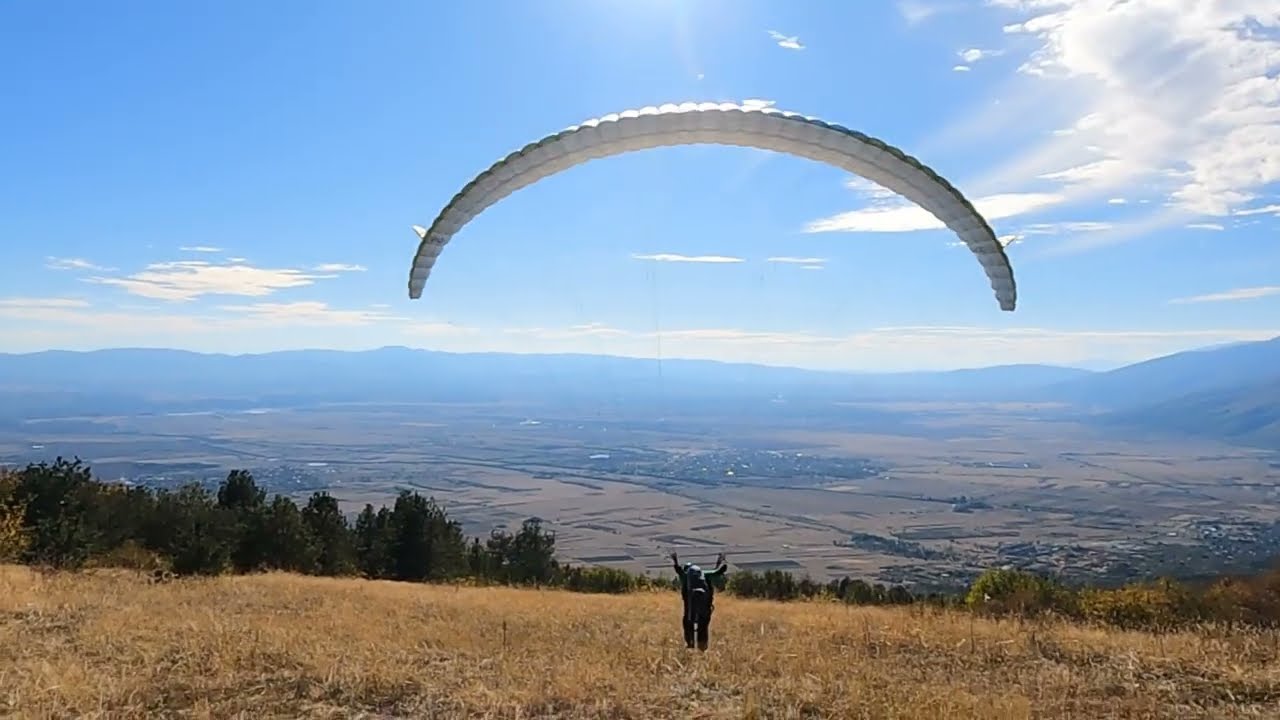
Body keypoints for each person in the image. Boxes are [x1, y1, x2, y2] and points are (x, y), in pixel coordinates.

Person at [671, 551, 728, 651]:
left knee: (687, 623)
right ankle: (703, 647)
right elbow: (716, 572)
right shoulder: (704, 574)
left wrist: (675, 561)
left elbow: (679, 571)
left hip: (690, 606)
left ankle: (690, 644)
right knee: (703, 625)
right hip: (704, 606)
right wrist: (723, 565)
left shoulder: (685, 576)